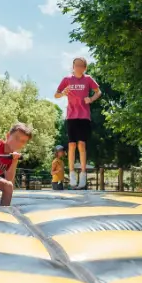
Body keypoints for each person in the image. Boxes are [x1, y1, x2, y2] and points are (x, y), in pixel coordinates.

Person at [54, 58, 101, 190]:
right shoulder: (67, 79)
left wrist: (91, 99)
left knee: (81, 144)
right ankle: (72, 173)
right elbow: (56, 94)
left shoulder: (88, 79)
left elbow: (98, 91)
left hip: (84, 116)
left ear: (85, 68)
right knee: (72, 144)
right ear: (73, 66)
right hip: (71, 116)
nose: (79, 67)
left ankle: (83, 173)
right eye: (77, 65)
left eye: (81, 65)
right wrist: (63, 93)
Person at [0, 123, 33, 206]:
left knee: (8, 186)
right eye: (16, 138)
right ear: (8, 136)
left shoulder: (12, 157)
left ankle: (4, 213)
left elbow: (9, 178)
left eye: (23, 141)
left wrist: (15, 161)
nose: (18, 143)